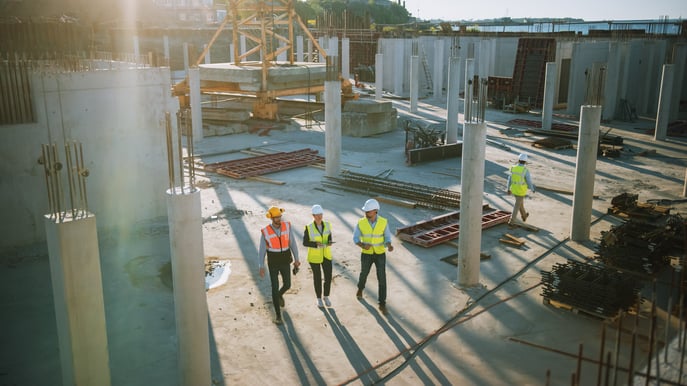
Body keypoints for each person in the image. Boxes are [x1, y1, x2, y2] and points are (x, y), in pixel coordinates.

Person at [257, 206, 301, 324]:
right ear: (271, 218)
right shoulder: (265, 231)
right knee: (274, 288)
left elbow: (292, 243)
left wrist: (297, 259)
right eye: (276, 217)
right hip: (273, 262)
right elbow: (262, 250)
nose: (278, 219)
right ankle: (278, 316)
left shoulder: (287, 226)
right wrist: (261, 265)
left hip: (285, 260)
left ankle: (280, 295)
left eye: (279, 216)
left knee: (287, 284)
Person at [353, 198, 394, 315]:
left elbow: (387, 238)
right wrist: (362, 245)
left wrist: (389, 245)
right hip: (366, 254)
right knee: (364, 273)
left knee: (382, 278)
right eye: (365, 211)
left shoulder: (384, 222)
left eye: (368, 211)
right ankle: (360, 288)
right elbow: (355, 238)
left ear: (376, 211)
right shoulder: (361, 222)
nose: (366, 213)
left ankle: (382, 303)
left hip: (380, 253)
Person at [302, 204, 333, 308]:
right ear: (313, 215)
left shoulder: (327, 225)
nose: (319, 216)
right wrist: (315, 244)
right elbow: (305, 242)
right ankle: (319, 298)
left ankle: (326, 296)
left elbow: (329, 237)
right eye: (317, 215)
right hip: (314, 256)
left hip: (326, 255)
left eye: (320, 214)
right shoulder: (309, 227)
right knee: (317, 278)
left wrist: (329, 242)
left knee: (328, 277)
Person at [507, 153, 536, 224]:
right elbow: (529, 181)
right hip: (521, 191)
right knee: (517, 205)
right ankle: (511, 221)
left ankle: (524, 216)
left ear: (518, 160)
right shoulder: (525, 170)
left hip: (514, 189)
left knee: (520, 204)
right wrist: (532, 189)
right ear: (525, 161)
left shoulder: (513, 167)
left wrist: (508, 188)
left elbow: (509, 179)